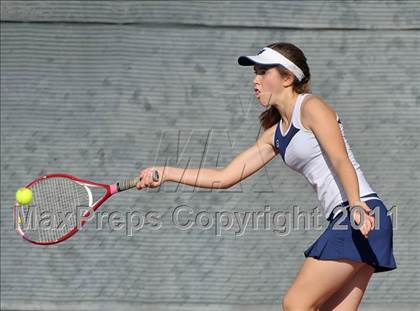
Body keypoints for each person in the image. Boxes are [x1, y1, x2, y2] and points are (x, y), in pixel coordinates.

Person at [136, 42, 397, 311]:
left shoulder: (311, 107)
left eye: (263, 72)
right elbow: (224, 176)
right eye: (254, 73)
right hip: (357, 219)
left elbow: (340, 158)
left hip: (361, 214)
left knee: (295, 303)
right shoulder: (275, 135)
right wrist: (166, 173)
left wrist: (355, 204)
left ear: (287, 77)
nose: (255, 80)